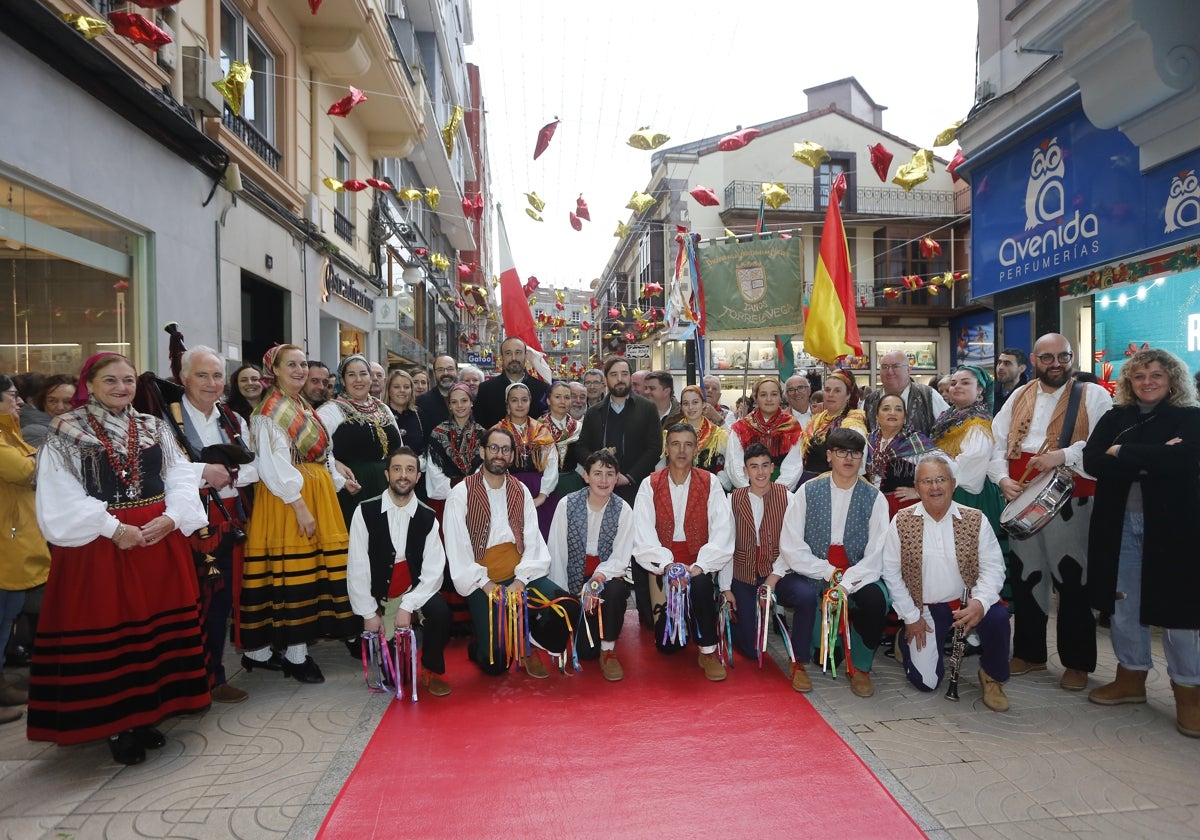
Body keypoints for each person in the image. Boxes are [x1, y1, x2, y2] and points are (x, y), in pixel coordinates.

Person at [30, 353, 209, 764]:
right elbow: (59, 495)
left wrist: (172, 518)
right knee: (112, 629)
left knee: (151, 630)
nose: (121, 388)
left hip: (154, 540)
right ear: (88, 385)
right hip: (100, 547)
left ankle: (147, 714)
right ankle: (116, 724)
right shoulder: (66, 431)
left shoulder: (151, 426)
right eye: (110, 380)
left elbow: (180, 475)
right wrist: (113, 529)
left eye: (128, 380)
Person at [1083, 348, 1200, 737]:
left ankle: (1189, 692)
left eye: (1156, 375)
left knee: (1178, 611)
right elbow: (1093, 461)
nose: (1148, 382)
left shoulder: (1190, 417)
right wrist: (1154, 458)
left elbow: (1185, 460)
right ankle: (1131, 678)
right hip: (1119, 524)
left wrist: (1125, 453)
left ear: (1171, 380)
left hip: (1173, 527)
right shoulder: (1116, 417)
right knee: (1124, 602)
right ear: (1129, 382)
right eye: (1139, 376)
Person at [987, 333, 1112, 691]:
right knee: (1028, 579)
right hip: (1022, 492)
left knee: (1073, 580)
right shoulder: (1019, 394)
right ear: (1034, 359)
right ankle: (1029, 654)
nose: (1055, 363)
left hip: (1071, 496)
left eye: (1063, 356)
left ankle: (1077, 662)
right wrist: (1001, 479)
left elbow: (1103, 442)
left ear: (1072, 357)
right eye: (1047, 357)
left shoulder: (1093, 394)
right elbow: (998, 441)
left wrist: (1063, 455)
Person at [241, 345, 356, 684]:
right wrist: (300, 505)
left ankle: (266, 653)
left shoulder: (301, 404)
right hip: (288, 500)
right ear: (273, 369)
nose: (300, 369)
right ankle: (295, 654)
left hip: (314, 493)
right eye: (291, 364)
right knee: (295, 573)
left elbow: (323, 455)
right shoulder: (270, 411)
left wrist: (336, 480)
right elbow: (272, 466)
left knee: (314, 572)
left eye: (303, 363)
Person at [443, 427, 581, 677]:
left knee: (569, 606)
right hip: (481, 580)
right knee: (495, 665)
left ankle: (530, 637)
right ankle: (481, 645)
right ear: (482, 451)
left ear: (512, 456)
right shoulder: (460, 493)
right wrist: (487, 585)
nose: (499, 454)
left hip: (520, 573)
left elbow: (532, 541)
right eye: (493, 448)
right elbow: (458, 549)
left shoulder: (520, 490)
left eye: (505, 450)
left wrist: (520, 580)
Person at [882, 452, 1011, 711]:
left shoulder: (975, 518)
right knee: (926, 682)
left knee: (996, 616)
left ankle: (992, 675)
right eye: (927, 481)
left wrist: (980, 603)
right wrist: (910, 617)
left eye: (941, 479)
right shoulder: (902, 520)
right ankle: (903, 640)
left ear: (953, 484)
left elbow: (994, 568)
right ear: (917, 487)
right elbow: (891, 573)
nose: (934, 487)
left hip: (967, 604)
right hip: (925, 608)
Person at [170, 347, 259, 705]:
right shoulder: (165, 420)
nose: (211, 383)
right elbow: (162, 471)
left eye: (217, 376)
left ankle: (215, 675)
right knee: (184, 602)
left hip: (225, 523)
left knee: (220, 601)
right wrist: (203, 473)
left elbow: (254, 468)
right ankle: (184, 680)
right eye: (203, 375)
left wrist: (227, 475)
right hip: (182, 526)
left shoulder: (234, 420)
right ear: (184, 377)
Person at [776, 429, 890, 697]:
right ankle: (815, 652)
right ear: (829, 456)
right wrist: (827, 571)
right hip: (812, 568)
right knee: (823, 656)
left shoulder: (875, 497)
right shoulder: (807, 490)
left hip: (858, 572)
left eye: (855, 453)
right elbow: (791, 545)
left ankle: (860, 668)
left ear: (862, 459)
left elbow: (876, 553)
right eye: (841, 452)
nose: (848, 458)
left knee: (876, 600)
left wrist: (846, 583)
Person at [346, 447, 452, 697]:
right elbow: (357, 566)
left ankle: (431, 668)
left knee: (441, 613)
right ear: (387, 475)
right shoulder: (365, 511)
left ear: (418, 477)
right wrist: (369, 613)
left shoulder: (428, 516)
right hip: (383, 597)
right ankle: (397, 656)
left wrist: (409, 605)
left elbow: (434, 571)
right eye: (397, 469)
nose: (403, 475)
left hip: (415, 590)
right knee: (398, 680)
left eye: (409, 470)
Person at [632, 423, 734, 681]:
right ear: (666, 448)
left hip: (698, 561)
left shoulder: (710, 482)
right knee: (668, 646)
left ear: (696, 449)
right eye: (675, 444)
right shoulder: (649, 484)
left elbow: (722, 529)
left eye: (688, 444)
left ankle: (708, 650)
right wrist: (668, 566)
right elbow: (643, 532)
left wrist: (700, 565)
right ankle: (685, 623)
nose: (681, 450)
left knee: (699, 586)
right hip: (661, 566)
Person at [572, 356, 665, 629]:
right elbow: (581, 446)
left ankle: (648, 613)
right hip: (601, 491)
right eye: (614, 374)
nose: (620, 379)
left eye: (625, 373)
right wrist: (599, 470)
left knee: (639, 549)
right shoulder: (595, 412)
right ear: (607, 379)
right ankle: (593, 608)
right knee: (602, 546)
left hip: (635, 488)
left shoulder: (647, 409)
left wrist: (629, 476)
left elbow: (654, 447)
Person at [727, 443, 811, 689]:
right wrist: (725, 588)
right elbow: (726, 545)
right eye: (754, 467)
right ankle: (738, 621)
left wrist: (774, 577)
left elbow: (792, 543)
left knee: (805, 596)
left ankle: (798, 660)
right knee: (753, 651)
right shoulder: (733, 499)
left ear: (773, 468)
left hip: (779, 571)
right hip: (743, 573)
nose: (760, 472)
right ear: (746, 470)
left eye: (765, 466)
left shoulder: (787, 497)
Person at [547, 450, 633, 680]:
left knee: (615, 590)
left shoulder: (624, 509)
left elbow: (621, 556)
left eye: (609, 474)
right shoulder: (567, 504)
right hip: (574, 582)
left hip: (606, 580)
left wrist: (599, 577)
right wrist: (564, 599)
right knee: (586, 652)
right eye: (597, 473)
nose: (603, 480)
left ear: (617, 478)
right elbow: (557, 551)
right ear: (585, 476)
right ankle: (581, 629)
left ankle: (609, 650)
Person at [0, 375, 50, 723]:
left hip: (16, 538)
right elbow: (25, 469)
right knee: (3, 618)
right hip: (7, 542)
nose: (19, 403)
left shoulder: (10, 432)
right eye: (12, 396)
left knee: (7, 617)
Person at [317, 355, 400, 529]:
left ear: (371, 377)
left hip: (387, 487)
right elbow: (319, 451)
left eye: (363, 374)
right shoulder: (331, 411)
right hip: (354, 490)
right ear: (343, 379)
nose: (359, 380)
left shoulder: (382, 408)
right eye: (352, 375)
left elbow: (398, 446)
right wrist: (338, 478)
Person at [931, 366, 1008, 545]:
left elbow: (971, 466)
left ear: (979, 389)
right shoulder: (947, 417)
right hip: (947, 487)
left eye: (965, 383)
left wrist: (937, 478)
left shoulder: (978, 422)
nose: (957, 386)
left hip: (967, 494)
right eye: (953, 383)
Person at [495, 382, 558, 536]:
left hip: (539, 491)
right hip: (507, 490)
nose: (520, 404)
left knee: (542, 534)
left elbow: (552, 463)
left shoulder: (541, 430)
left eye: (524, 400)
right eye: (514, 400)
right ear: (507, 403)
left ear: (530, 402)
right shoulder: (497, 431)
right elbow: (492, 466)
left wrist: (543, 495)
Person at [865, 394, 937, 518]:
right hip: (872, 508)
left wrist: (920, 492)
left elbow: (948, 469)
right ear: (877, 416)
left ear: (904, 417)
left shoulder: (916, 442)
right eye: (886, 409)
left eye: (898, 409)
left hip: (904, 511)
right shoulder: (868, 440)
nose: (892, 413)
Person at [726, 377, 804, 489]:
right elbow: (734, 463)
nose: (769, 399)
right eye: (763, 395)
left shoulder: (792, 426)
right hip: (746, 488)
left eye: (774, 394)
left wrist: (779, 490)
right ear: (755, 398)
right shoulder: (742, 427)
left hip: (782, 490)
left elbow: (794, 464)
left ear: (780, 398)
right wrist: (748, 489)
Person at [799, 370, 868, 483]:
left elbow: (856, 466)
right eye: (827, 390)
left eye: (837, 391)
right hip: (808, 482)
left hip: (834, 484)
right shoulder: (816, 420)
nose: (831, 394)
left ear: (848, 395)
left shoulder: (853, 423)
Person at [425, 384, 485, 508]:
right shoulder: (438, 433)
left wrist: (469, 488)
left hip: (475, 499)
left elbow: (484, 468)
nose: (460, 406)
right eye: (454, 402)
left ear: (471, 403)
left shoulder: (482, 434)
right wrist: (458, 489)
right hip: (444, 501)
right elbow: (434, 473)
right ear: (449, 406)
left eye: (464, 401)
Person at [863, 351, 949, 436]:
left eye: (895, 366)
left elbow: (950, 427)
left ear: (908, 370)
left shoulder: (928, 395)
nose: (889, 371)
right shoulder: (869, 401)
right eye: (884, 367)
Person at [473, 338, 548, 429]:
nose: (514, 358)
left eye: (518, 352)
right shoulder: (486, 389)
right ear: (502, 357)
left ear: (525, 355)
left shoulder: (542, 389)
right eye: (508, 353)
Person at [672, 384, 729, 489]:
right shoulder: (672, 434)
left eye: (695, 402)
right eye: (686, 403)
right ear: (681, 407)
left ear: (703, 404)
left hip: (710, 492)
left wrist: (716, 485)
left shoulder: (718, 435)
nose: (690, 407)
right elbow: (662, 466)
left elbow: (729, 465)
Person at [545, 380, 583, 498]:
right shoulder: (538, 427)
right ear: (548, 400)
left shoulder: (578, 427)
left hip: (573, 482)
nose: (562, 402)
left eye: (567, 397)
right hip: (544, 483)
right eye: (557, 397)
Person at [19, 374, 76, 448]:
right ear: (43, 402)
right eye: (52, 401)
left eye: (68, 401)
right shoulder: (35, 432)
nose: (60, 407)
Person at [384, 368, 424, 455]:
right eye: (396, 387)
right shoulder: (380, 414)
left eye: (406, 387)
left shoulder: (419, 414)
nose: (402, 390)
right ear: (388, 390)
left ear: (411, 390)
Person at [416, 355, 460, 432]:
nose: (445, 373)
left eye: (450, 369)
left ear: (457, 371)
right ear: (434, 373)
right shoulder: (421, 402)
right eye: (440, 369)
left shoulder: (471, 399)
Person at [994, 348, 1029, 414]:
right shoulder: (990, 391)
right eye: (999, 362)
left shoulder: (1028, 394)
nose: (1000, 367)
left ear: (1021, 368)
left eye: (1007, 363)